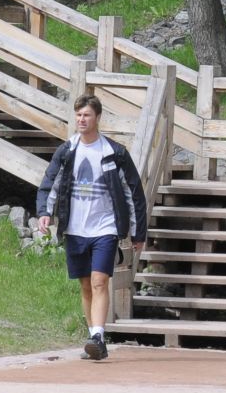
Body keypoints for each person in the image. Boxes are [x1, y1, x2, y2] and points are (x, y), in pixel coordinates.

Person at [36, 93, 148, 362]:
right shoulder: (67, 151)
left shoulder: (114, 153)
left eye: (86, 115)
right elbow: (49, 183)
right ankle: (93, 337)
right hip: (75, 228)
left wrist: (138, 232)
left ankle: (98, 335)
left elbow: (134, 192)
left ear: (97, 118)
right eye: (78, 115)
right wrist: (44, 213)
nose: (81, 119)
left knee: (99, 281)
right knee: (85, 285)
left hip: (105, 228)